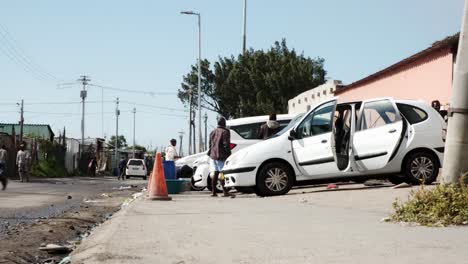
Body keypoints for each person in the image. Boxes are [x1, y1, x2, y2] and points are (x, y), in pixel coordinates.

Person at [207, 117, 232, 197]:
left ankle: (214, 192)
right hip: (221, 155)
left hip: (213, 155)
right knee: (222, 173)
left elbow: (210, 145)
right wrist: (229, 153)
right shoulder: (225, 132)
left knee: (215, 173)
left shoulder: (212, 132)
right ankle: (225, 191)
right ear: (224, 123)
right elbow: (226, 144)